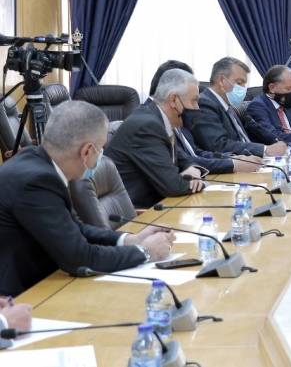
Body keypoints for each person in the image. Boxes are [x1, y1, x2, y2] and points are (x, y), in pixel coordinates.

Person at [0, 101, 174, 296]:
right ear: (87, 151)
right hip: (22, 297)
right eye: (101, 148)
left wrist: (131, 240)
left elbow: (76, 228)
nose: (101, 155)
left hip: (44, 283)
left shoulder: (38, 161)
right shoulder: (37, 182)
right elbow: (79, 258)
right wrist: (146, 252)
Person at [106, 69, 208, 208]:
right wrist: (197, 183)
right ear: (174, 100)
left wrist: (191, 169)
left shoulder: (158, 118)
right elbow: (173, 186)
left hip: (159, 205)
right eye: (194, 101)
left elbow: (182, 158)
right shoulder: (147, 125)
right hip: (138, 213)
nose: (197, 108)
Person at [149, 60, 261, 174]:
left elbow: (195, 152)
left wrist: (232, 159)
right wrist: (232, 164)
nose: (197, 107)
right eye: (193, 100)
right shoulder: (151, 122)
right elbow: (183, 162)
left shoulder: (174, 116)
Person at [187, 57, 287, 157]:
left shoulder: (228, 105)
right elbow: (219, 145)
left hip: (252, 160)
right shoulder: (204, 103)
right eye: (239, 83)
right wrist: (265, 150)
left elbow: (250, 134)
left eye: (244, 84)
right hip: (234, 163)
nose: (243, 89)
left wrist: (276, 143)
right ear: (222, 80)